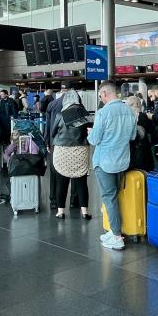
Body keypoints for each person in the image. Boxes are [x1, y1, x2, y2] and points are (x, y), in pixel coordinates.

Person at [88, 82, 137, 251]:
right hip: (122, 161)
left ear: (104, 93)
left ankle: (116, 236)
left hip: (105, 162)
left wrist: (90, 133)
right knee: (114, 197)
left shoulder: (103, 113)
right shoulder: (129, 111)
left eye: (100, 96)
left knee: (109, 198)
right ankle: (113, 230)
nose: (100, 99)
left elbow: (94, 140)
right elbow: (132, 136)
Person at [50, 90, 92, 219]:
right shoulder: (85, 114)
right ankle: (84, 212)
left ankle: (60, 212)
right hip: (80, 151)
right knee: (81, 183)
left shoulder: (60, 115)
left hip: (62, 151)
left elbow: (53, 132)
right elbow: (90, 130)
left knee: (61, 183)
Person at [125, 96, 158, 171]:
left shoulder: (139, 117)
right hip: (147, 156)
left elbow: (140, 134)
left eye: (128, 105)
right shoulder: (145, 117)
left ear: (136, 105)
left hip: (139, 158)